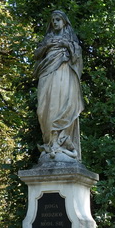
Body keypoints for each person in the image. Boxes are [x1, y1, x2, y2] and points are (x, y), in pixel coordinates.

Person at [34, 10, 83, 160]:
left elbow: (77, 57)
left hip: (63, 72)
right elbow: (37, 55)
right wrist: (47, 46)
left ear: (64, 22)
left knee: (61, 103)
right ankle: (49, 142)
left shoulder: (70, 40)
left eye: (58, 19)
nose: (55, 22)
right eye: (53, 20)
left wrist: (66, 44)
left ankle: (59, 142)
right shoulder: (47, 39)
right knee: (43, 109)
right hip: (47, 72)